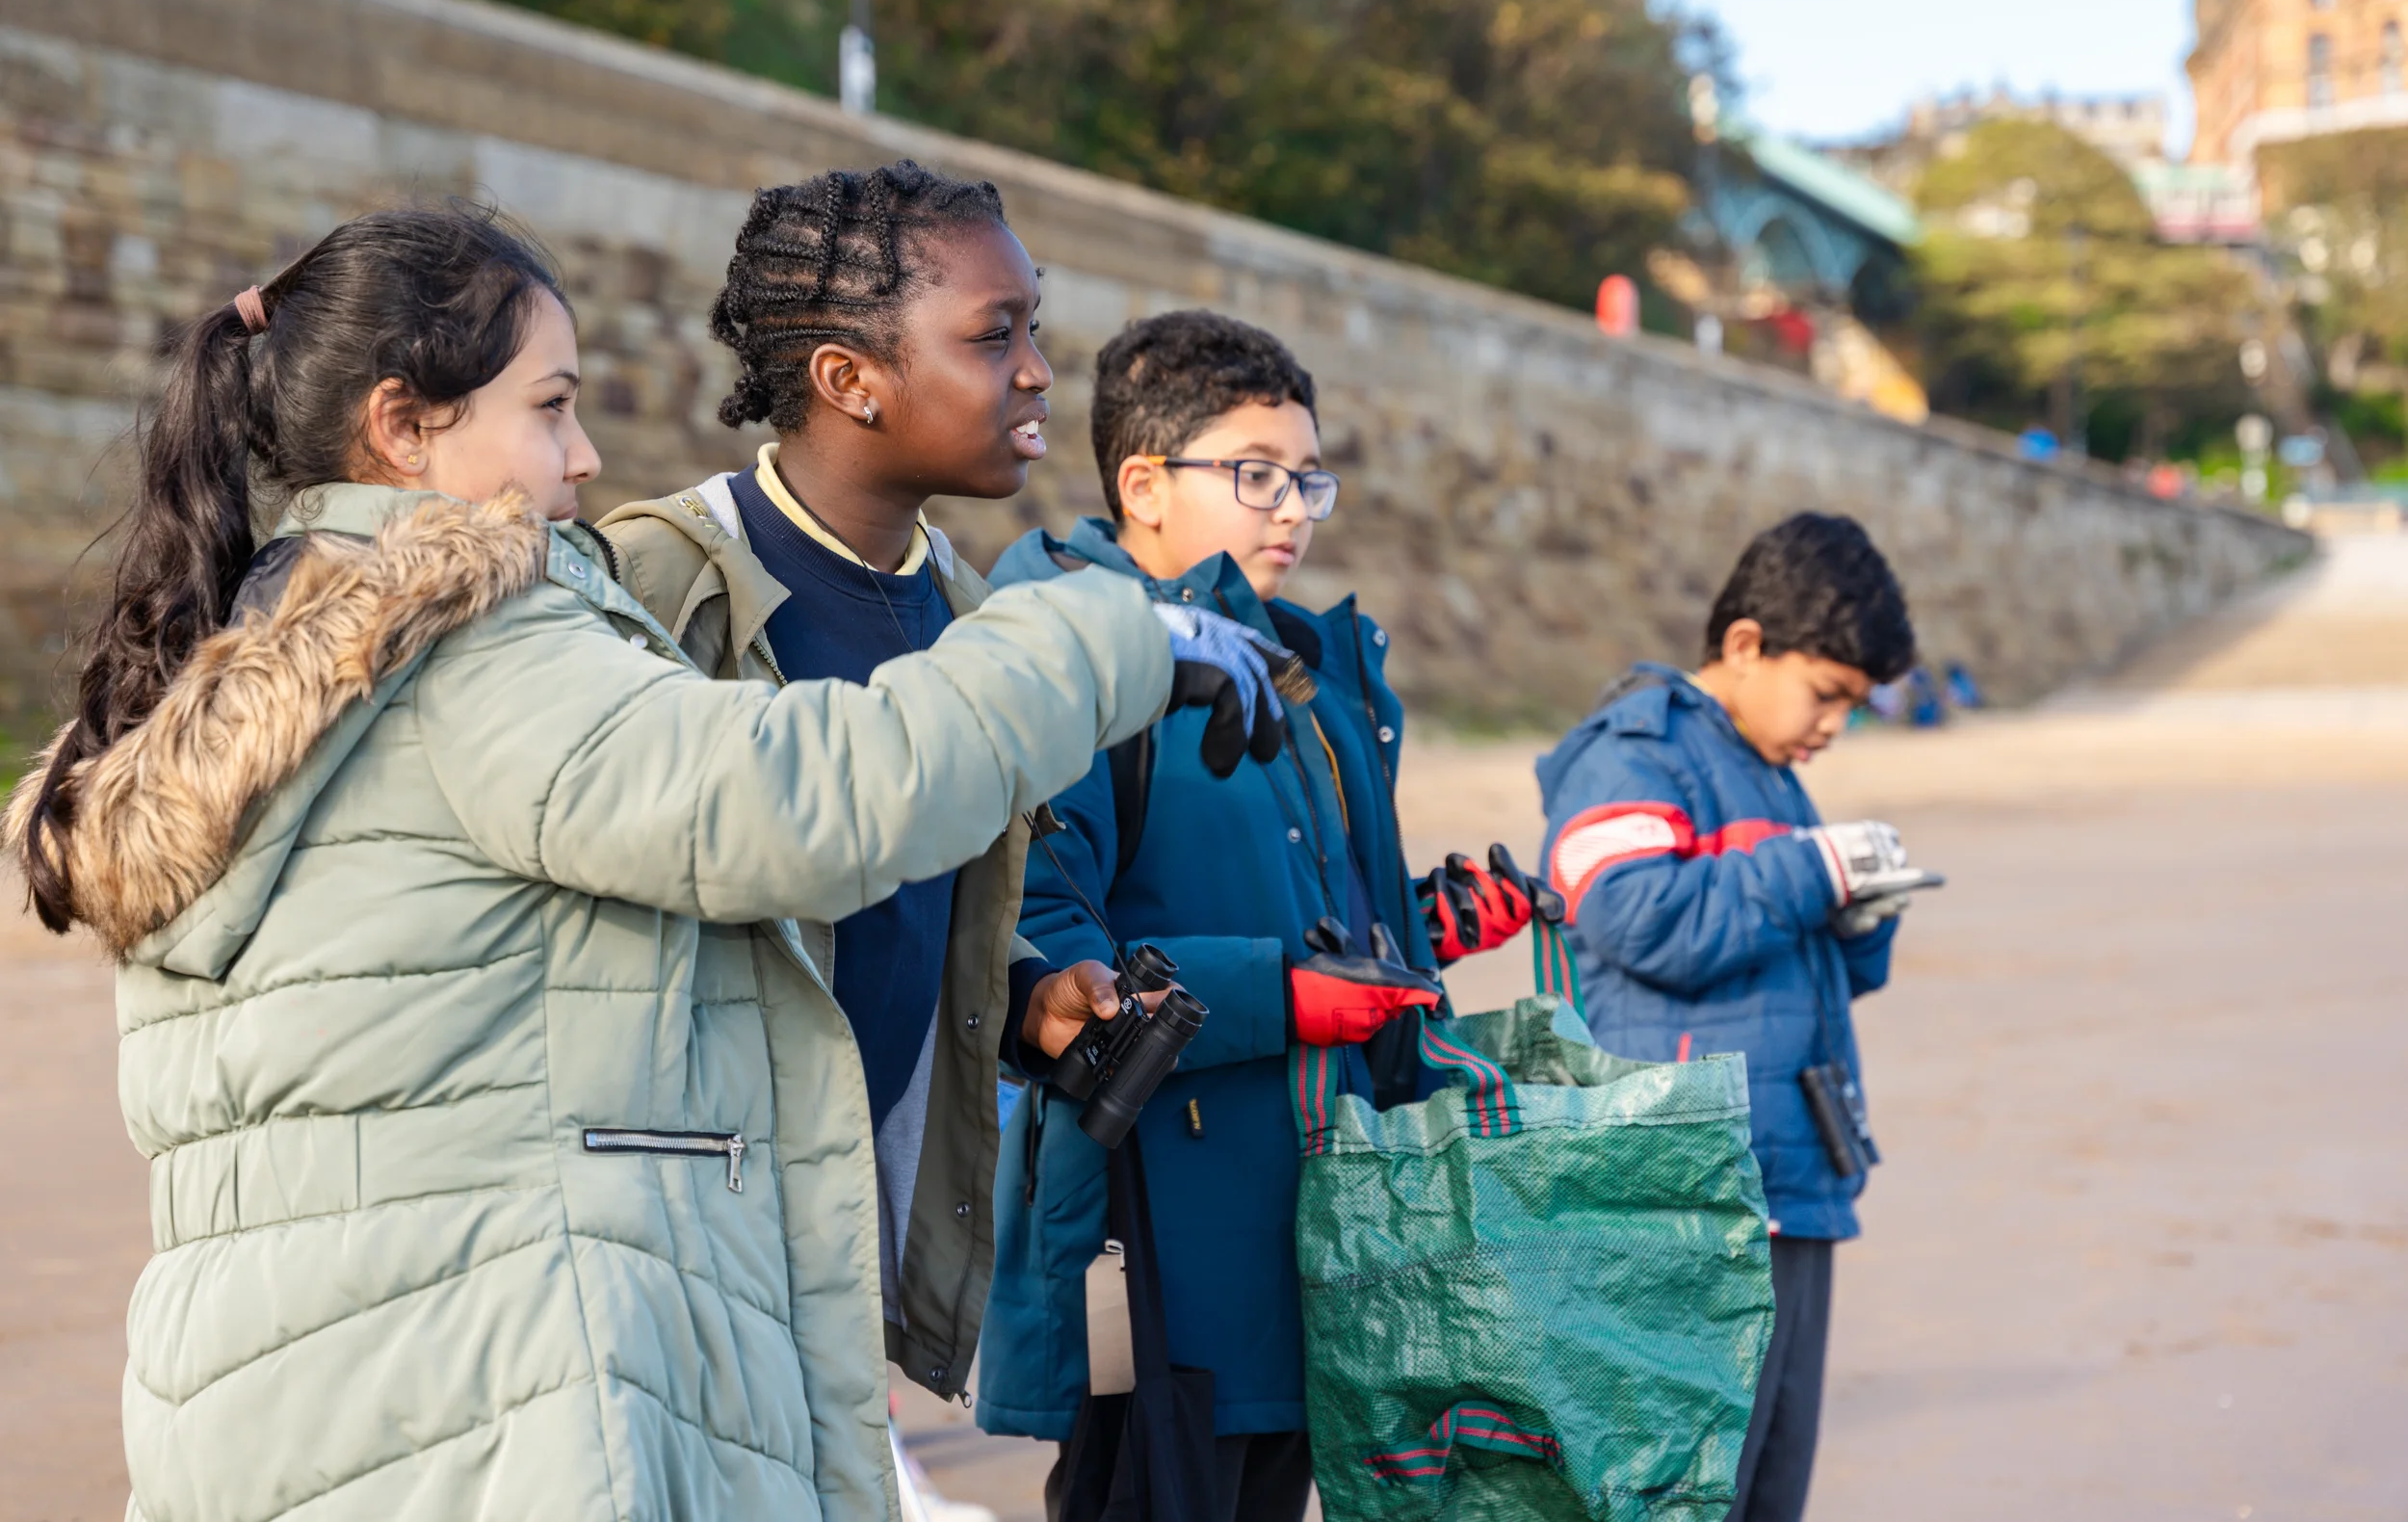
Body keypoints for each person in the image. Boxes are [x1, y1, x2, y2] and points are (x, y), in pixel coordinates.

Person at [4, 205, 1287, 1522]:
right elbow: (797, 800)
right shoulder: (465, 649)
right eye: (551, 407)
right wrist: (1106, 637)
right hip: (497, 1404)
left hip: (296, 1407)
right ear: (403, 427)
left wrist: (1010, 990)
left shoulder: (258, 676)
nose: (586, 456)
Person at [593, 161, 1289, 1406]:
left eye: (1037, 328)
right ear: (849, 379)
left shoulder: (976, 617)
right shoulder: (651, 585)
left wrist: (1028, 996)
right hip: (664, 1242)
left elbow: (911, 903)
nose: (1036, 370)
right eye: (993, 335)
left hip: (849, 1228)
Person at [973, 311, 1543, 1521]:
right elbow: (1040, 947)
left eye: (1306, 477)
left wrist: (1429, 925)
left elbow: (1322, 919)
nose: (1291, 507)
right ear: (1142, 483)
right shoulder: (1054, 655)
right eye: (1254, 474)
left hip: (1315, 1222)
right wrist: (1277, 995)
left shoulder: (1301, 661)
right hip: (1157, 1233)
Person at [1534, 512, 1923, 1522]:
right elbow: (1632, 913)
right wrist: (1813, 867)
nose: (1835, 722)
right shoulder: (1632, 749)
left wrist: (1861, 914)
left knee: (1768, 1487)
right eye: (1827, 692)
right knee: (1685, 1490)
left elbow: (1808, 971)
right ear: (1745, 645)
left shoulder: (1774, 773)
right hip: (1684, 1196)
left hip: (1792, 1175)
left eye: (1854, 702)